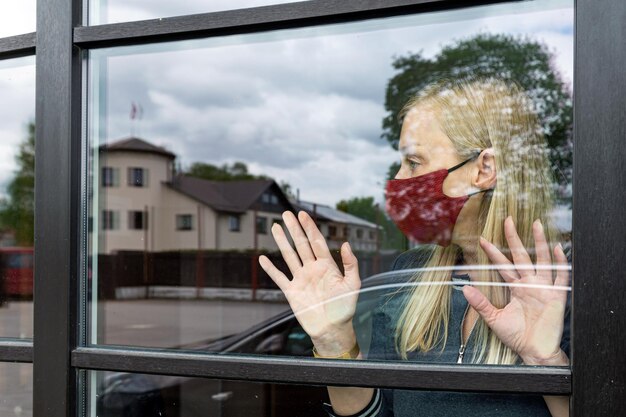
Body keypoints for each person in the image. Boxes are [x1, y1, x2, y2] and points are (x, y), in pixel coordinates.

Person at [258, 78, 570, 417]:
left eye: (414, 162)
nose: (398, 179)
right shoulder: (410, 274)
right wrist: (335, 342)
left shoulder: (564, 286)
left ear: (483, 170)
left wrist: (548, 365)